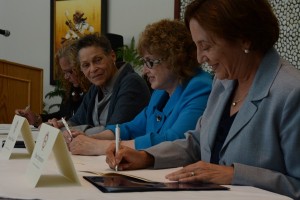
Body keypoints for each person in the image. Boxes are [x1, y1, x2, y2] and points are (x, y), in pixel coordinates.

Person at [105, 0, 300, 199]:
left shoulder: (291, 92)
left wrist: (235, 174)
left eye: (205, 46)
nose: (199, 58)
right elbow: (197, 142)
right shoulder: (223, 83)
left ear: (244, 38)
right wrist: (147, 157)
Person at [63, 19, 212, 156]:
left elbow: (175, 141)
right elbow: (131, 128)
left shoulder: (199, 87)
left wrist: (100, 146)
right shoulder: (160, 92)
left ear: (173, 58)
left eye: (150, 62)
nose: (145, 71)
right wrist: (88, 138)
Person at [53, 33, 150, 135]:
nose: (93, 69)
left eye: (98, 60)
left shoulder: (132, 83)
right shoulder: (95, 88)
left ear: (112, 56)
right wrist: (59, 125)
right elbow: (76, 121)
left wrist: (75, 131)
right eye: (86, 65)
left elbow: (114, 132)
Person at [15, 40, 90, 127]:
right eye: (64, 72)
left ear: (81, 66)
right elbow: (61, 115)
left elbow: (79, 122)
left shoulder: (94, 91)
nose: (66, 77)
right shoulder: (73, 88)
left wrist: (62, 124)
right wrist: (36, 118)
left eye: (69, 71)